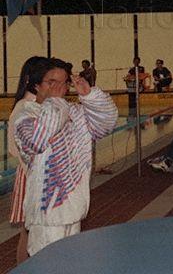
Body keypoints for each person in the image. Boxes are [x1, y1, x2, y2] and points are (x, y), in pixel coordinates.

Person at [14, 58, 118, 256]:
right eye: (51, 82)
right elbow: (39, 139)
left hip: (74, 209)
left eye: (63, 82)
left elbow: (106, 123)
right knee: (48, 265)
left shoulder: (75, 112)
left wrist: (89, 95)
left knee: (72, 263)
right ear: (36, 85)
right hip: (46, 215)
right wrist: (56, 101)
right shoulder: (25, 116)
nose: (59, 88)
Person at [7, 56, 48, 265]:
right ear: (35, 82)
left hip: (40, 173)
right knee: (28, 231)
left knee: (34, 231)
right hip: (32, 175)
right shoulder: (24, 107)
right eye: (49, 80)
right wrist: (33, 170)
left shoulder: (39, 105)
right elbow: (13, 148)